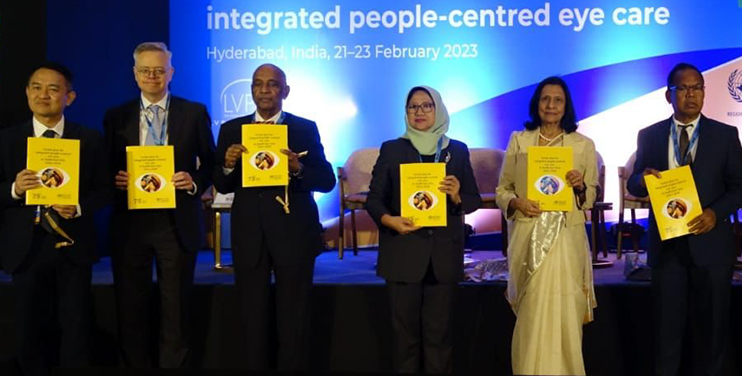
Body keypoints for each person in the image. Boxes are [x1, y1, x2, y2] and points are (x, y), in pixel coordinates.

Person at [626, 63, 742, 376]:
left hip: (712, 249)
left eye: (697, 88)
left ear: (704, 93)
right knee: (666, 339)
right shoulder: (650, 135)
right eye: (682, 88)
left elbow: (740, 187)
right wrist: (642, 178)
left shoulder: (725, 135)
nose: (690, 94)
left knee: (712, 338)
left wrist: (715, 213)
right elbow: (633, 183)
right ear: (669, 95)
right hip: (667, 250)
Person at [214, 63, 336, 371]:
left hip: (293, 233)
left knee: (294, 318)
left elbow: (326, 180)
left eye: (271, 84)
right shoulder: (232, 129)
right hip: (249, 233)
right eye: (258, 84)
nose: (264, 90)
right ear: (252, 90)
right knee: (252, 318)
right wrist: (228, 165)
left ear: (285, 91)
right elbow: (222, 182)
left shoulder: (304, 128)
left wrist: (298, 168)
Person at [103, 42, 216, 369]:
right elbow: (104, 166)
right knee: (130, 306)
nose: (152, 76)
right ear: (135, 74)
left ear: (171, 73)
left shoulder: (193, 112)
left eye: (159, 70)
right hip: (131, 222)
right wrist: (116, 179)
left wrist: (193, 182)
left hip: (176, 221)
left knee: (176, 309)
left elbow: (209, 163)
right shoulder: (116, 115)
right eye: (145, 70)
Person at [0, 62, 111, 376]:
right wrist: (14, 189)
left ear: (70, 97)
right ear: (26, 93)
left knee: (75, 328)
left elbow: (104, 191)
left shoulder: (88, 139)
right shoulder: (7, 140)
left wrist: (77, 207)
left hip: (73, 246)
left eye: (52, 88)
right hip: (25, 247)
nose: (43, 95)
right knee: (27, 328)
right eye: (36, 87)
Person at [365, 85, 481, 373]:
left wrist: (456, 196)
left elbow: (474, 199)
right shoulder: (392, 149)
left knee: (439, 339)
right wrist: (389, 220)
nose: (419, 112)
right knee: (405, 341)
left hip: (443, 257)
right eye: (412, 107)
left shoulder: (457, 150)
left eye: (426, 105)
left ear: (438, 109)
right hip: (403, 254)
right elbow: (374, 199)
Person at [497, 76, 598, 375]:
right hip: (528, 234)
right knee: (533, 313)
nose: (551, 105)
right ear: (536, 104)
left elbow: (591, 195)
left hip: (567, 238)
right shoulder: (520, 140)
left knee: (565, 312)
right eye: (545, 99)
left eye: (557, 100)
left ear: (566, 106)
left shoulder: (583, 145)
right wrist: (516, 203)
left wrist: (580, 187)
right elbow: (503, 190)